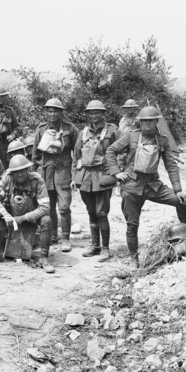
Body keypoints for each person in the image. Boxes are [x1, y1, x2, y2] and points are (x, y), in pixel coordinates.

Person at [105, 106, 186, 267]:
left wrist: (178, 189)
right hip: (131, 186)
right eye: (144, 121)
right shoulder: (130, 136)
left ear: (156, 121)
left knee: (180, 200)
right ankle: (134, 259)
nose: (148, 124)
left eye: (151, 121)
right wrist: (116, 173)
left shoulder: (162, 140)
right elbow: (111, 151)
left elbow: (171, 165)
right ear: (140, 122)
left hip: (153, 186)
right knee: (132, 225)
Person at [0, 155, 53, 272]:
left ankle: (44, 258)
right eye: (16, 172)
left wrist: (24, 217)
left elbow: (45, 207)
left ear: (28, 170)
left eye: (22, 171)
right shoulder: (7, 178)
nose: (19, 174)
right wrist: (6, 215)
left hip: (32, 216)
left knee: (46, 220)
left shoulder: (37, 180)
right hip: (12, 215)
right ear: (12, 173)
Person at [71, 100, 121, 262]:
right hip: (85, 177)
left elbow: (123, 151)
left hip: (103, 176)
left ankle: (105, 248)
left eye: (97, 113)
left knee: (102, 212)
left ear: (103, 113)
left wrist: (115, 169)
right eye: (91, 113)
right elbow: (76, 156)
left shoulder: (112, 130)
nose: (94, 116)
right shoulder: (83, 132)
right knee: (91, 212)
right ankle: (95, 245)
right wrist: (73, 177)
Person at [32, 98, 79, 252]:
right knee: (49, 206)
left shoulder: (69, 129)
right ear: (46, 112)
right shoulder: (41, 129)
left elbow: (78, 150)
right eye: (49, 111)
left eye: (55, 111)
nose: (52, 114)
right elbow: (35, 153)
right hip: (46, 171)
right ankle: (52, 236)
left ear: (61, 112)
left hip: (63, 171)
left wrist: (75, 173)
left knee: (64, 207)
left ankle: (65, 238)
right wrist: (34, 172)